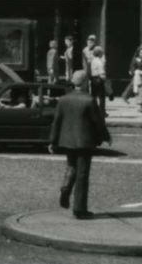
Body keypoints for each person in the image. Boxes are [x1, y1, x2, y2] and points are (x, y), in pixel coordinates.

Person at [48, 68, 111, 220]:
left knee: (71, 166)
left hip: (67, 141)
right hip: (84, 142)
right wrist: (106, 136)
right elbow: (98, 122)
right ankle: (80, 208)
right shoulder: (89, 100)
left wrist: (52, 141)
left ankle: (66, 187)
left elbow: (56, 122)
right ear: (84, 83)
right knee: (82, 174)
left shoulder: (63, 100)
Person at [85, 37, 108, 114]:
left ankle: (93, 110)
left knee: (93, 95)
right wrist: (104, 79)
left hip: (92, 78)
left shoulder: (91, 61)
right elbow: (102, 72)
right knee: (101, 97)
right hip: (99, 79)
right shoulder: (99, 61)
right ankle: (102, 111)